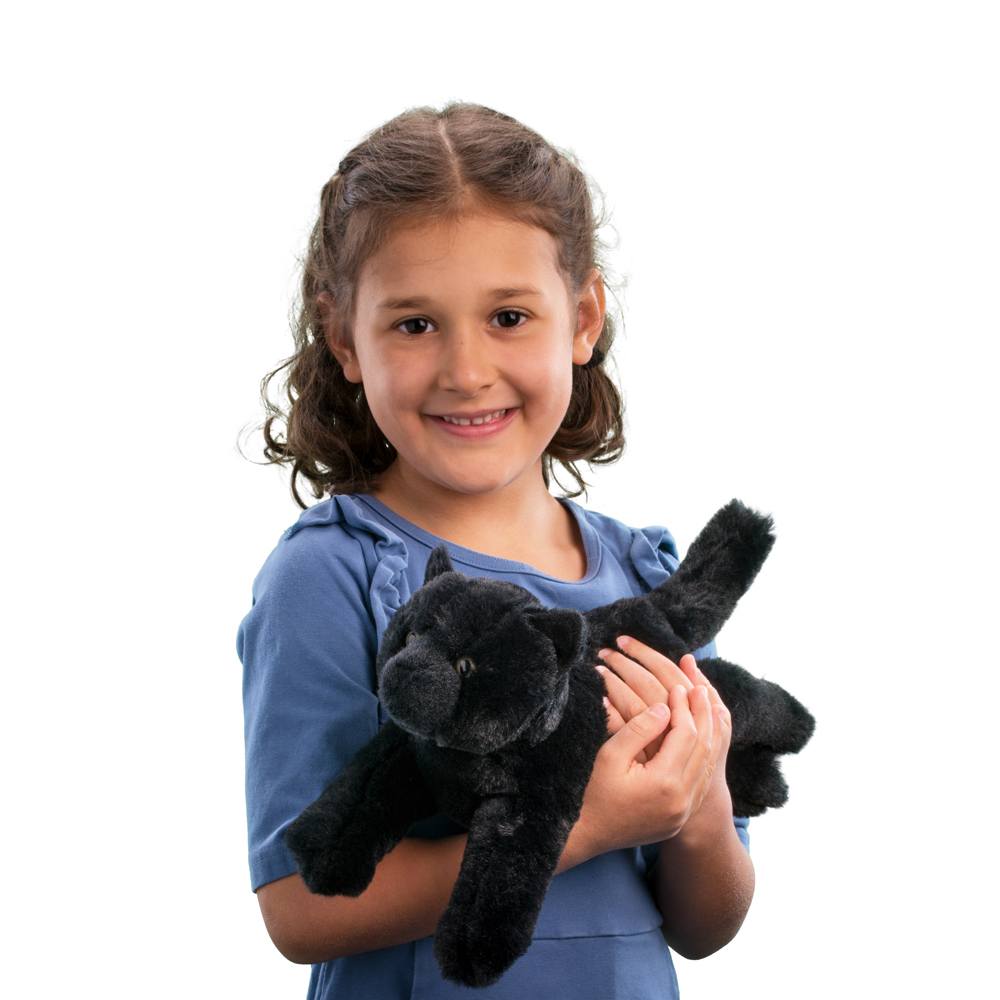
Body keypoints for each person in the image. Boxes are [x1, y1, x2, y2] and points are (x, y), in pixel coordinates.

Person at [237, 101, 754, 999]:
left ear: (583, 317)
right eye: (414, 324)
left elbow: (709, 924)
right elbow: (300, 909)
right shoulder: (332, 572)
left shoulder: (650, 583)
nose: (466, 370)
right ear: (343, 336)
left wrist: (697, 805)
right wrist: (581, 823)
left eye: (509, 317)